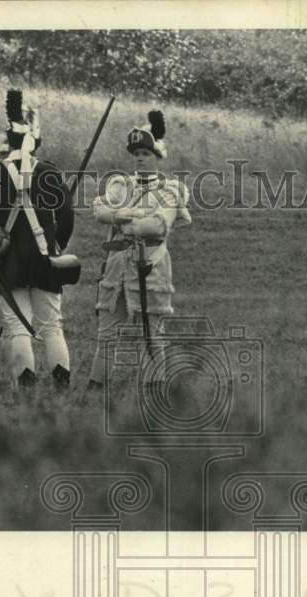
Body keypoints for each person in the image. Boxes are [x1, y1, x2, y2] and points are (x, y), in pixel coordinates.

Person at [0, 89, 75, 387]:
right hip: (45, 258)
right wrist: (55, 245)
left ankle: (26, 389)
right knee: (52, 327)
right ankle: (61, 386)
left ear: (9, 138)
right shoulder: (49, 172)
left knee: (18, 328)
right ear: (36, 140)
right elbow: (66, 219)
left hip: (9, 261)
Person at [88, 109, 192, 389]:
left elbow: (158, 225)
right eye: (136, 154)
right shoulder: (121, 184)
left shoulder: (170, 190)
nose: (139, 159)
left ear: (157, 157)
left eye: (145, 154)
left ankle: (155, 385)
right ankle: (96, 385)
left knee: (152, 331)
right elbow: (99, 208)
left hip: (151, 265)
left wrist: (124, 220)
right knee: (107, 330)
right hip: (117, 265)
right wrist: (118, 215)